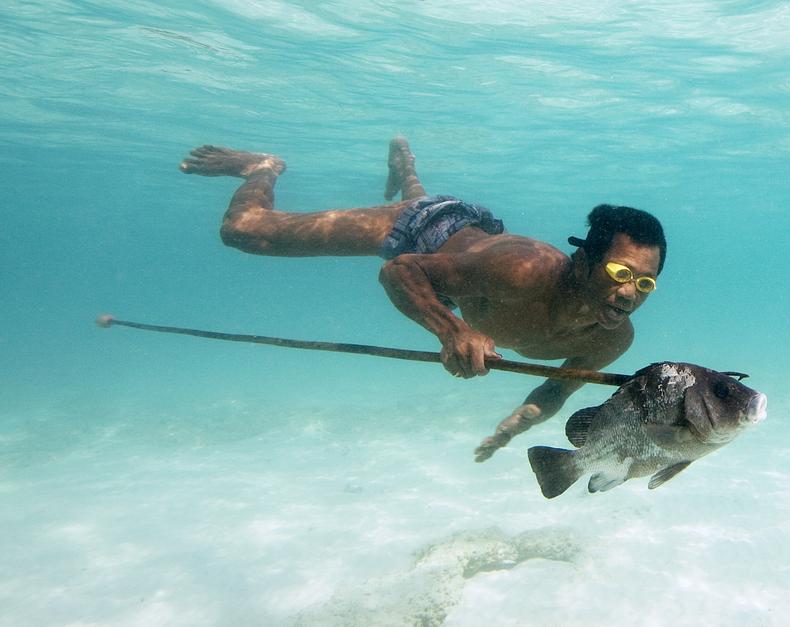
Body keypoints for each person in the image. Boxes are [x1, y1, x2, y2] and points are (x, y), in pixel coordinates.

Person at [180, 137, 666, 462]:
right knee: (246, 234)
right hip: (422, 229)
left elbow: (556, 391)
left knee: (454, 259)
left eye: (645, 284)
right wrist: (451, 330)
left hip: (466, 260)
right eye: (620, 273)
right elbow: (401, 269)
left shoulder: (610, 342)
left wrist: (511, 428)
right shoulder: (519, 270)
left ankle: (406, 168)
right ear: (582, 261)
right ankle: (263, 166)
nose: (629, 294)